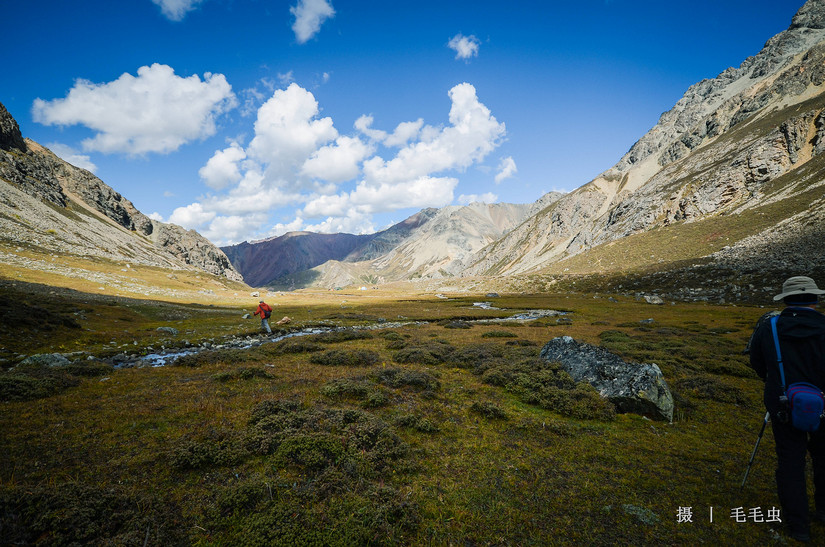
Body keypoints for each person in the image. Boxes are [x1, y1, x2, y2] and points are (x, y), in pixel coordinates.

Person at [750, 276, 825, 542]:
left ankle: (799, 528)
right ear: (815, 299)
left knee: (790, 462)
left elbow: (757, 362)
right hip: (823, 405)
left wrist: (775, 386)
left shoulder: (769, 327)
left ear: (785, 300)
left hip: (783, 403)